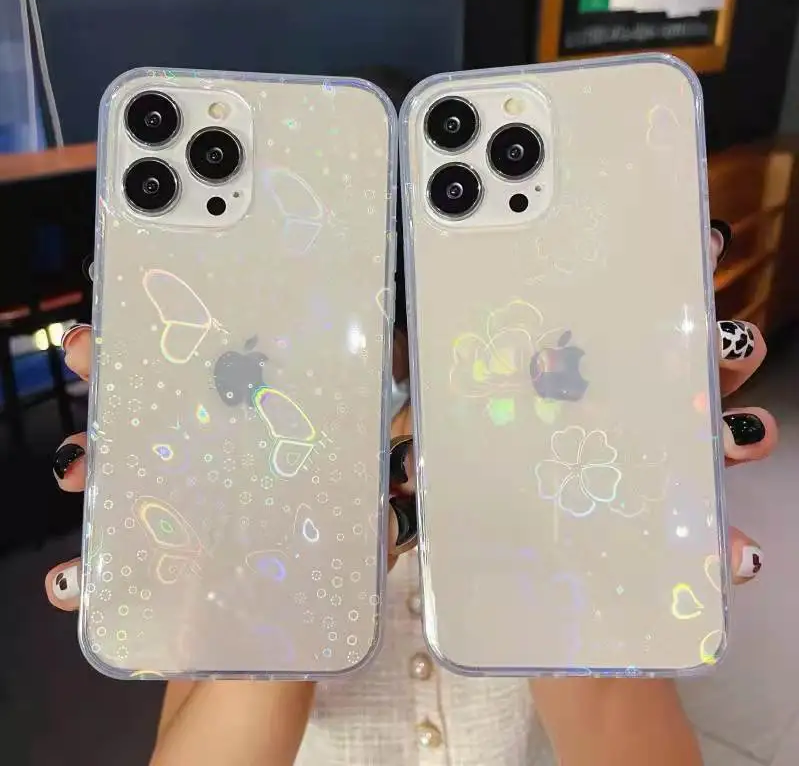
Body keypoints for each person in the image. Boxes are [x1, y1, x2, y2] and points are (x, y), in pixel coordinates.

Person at [46, 219, 776, 766]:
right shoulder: (251, 488)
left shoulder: (541, 468)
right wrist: (291, 551)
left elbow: (620, 725)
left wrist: (551, 518)